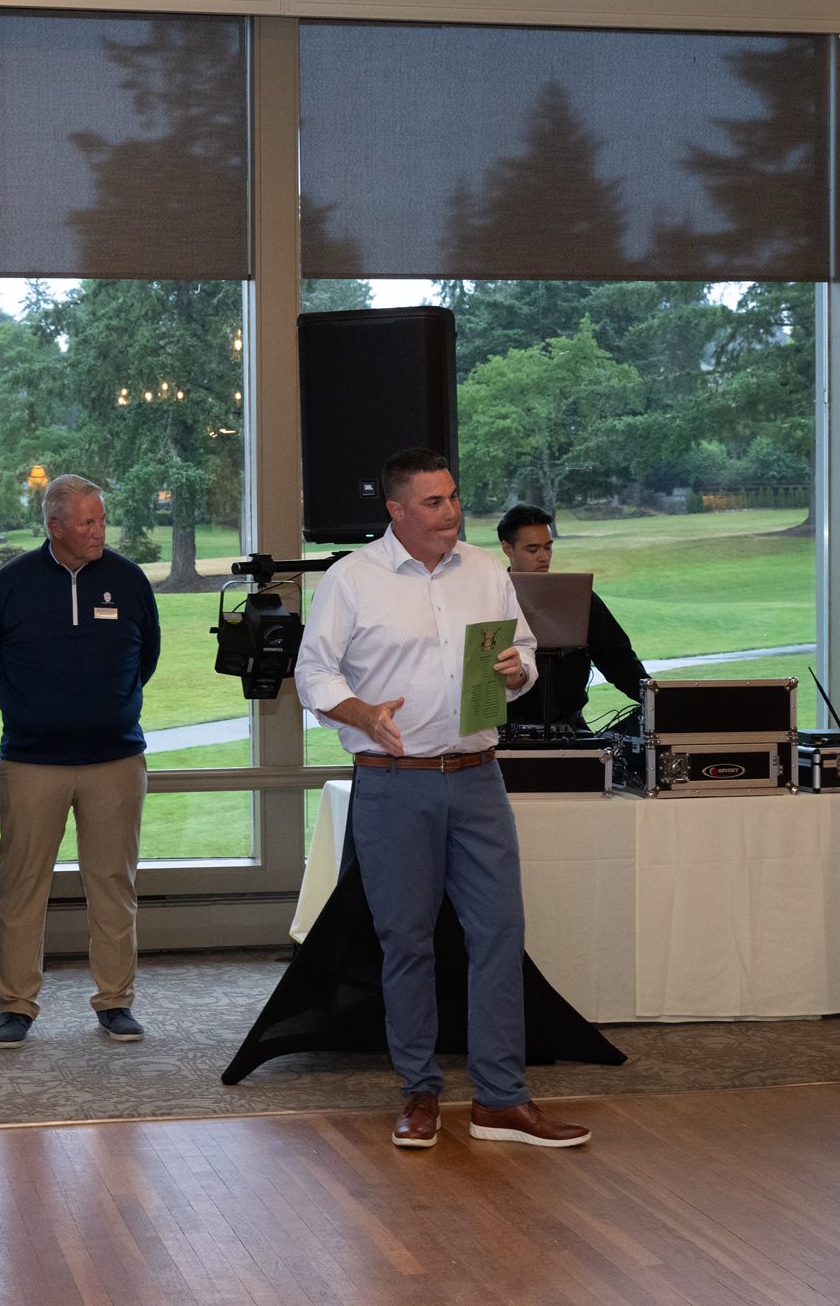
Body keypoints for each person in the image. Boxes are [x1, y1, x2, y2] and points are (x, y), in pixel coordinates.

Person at [293, 448, 592, 1152]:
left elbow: (523, 656)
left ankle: (501, 1099)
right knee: (407, 942)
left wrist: (518, 671)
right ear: (396, 510)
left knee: (499, 935)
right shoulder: (351, 579)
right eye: (433, 502)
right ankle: (419, 1090)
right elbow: (314, 672)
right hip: (394, 782)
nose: (451, 511)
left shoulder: (486, 572)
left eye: (453, 497)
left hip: (479, 778)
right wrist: (362, 713)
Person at [0, 473, 159, 1049]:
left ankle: (116, 1001)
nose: (100, 531)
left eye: (101, 519)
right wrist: (31, 711)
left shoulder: (128, 580)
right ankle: (16, 1005)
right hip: (32, 764)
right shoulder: (12, 583)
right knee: (23, 886)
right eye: (87, 522)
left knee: (113, 885)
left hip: (115, 761)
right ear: (55, 527)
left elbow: (146, 657)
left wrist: (106, 708)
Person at [496, 504, 648, 730]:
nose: (543, 557)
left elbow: (618, 658)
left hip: (570, 729)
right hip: (502, 732)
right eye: (533, 549)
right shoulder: (491, 598)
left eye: (548, 547)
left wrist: (656, 701)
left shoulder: (578, 596)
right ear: (507, 548)